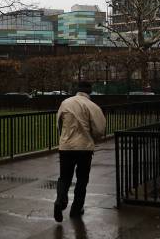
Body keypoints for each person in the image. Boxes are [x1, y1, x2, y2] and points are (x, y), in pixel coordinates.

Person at [54, 81, 106, 222]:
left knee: (64, 177)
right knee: (82, 179)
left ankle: (60, 200)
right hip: (84, 148)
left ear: (77, 90)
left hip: (66, 147)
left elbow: (59, 123)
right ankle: (76, 208)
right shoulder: (93, 106)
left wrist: (64, 138)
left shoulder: (65, 103)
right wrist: (92, 137)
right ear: (89, 91)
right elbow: (99, 130)